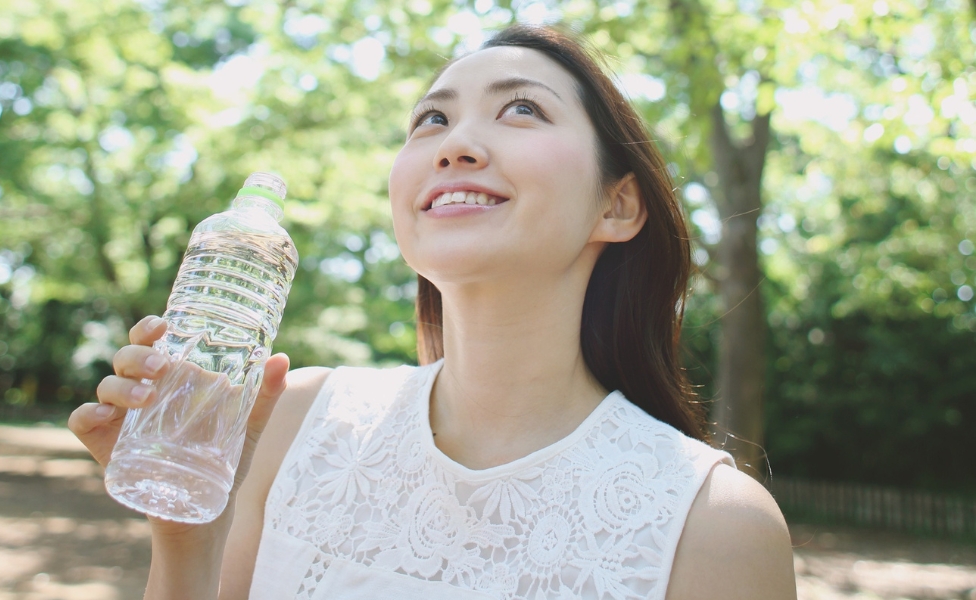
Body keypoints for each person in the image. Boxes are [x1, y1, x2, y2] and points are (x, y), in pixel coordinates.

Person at [69, 24, 796, 600]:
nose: (457, 144)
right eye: (431, 120)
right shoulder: (285, 422)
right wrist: (189, 537)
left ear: (618, 203)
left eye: (521, 109)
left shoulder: (716, 526)